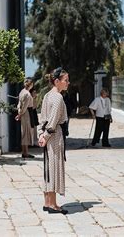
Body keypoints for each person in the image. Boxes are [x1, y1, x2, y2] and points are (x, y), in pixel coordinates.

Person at [37, 67, 69, 214]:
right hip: (54, 136)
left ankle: (47, 202)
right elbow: (53, 121)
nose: (68, 83)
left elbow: (42, 118)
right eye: (66, 80)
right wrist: (46, 135)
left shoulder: (47, 95)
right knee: (54, 167)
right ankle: (53, 205)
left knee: (48, 168)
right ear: (57, 81)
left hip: (48, 135)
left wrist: (40, 135)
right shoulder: (58, 97)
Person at [15, 78, 34, 159]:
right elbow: (25, 107)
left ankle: (25, 152)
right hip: (26, 114)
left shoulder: (22, 91)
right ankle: (25, 152)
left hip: (23, 113)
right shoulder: (27, 94)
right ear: (31, 85)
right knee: (25, 133)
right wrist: (20, 114)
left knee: (24, 132)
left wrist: (19, 112)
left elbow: (19, 104)